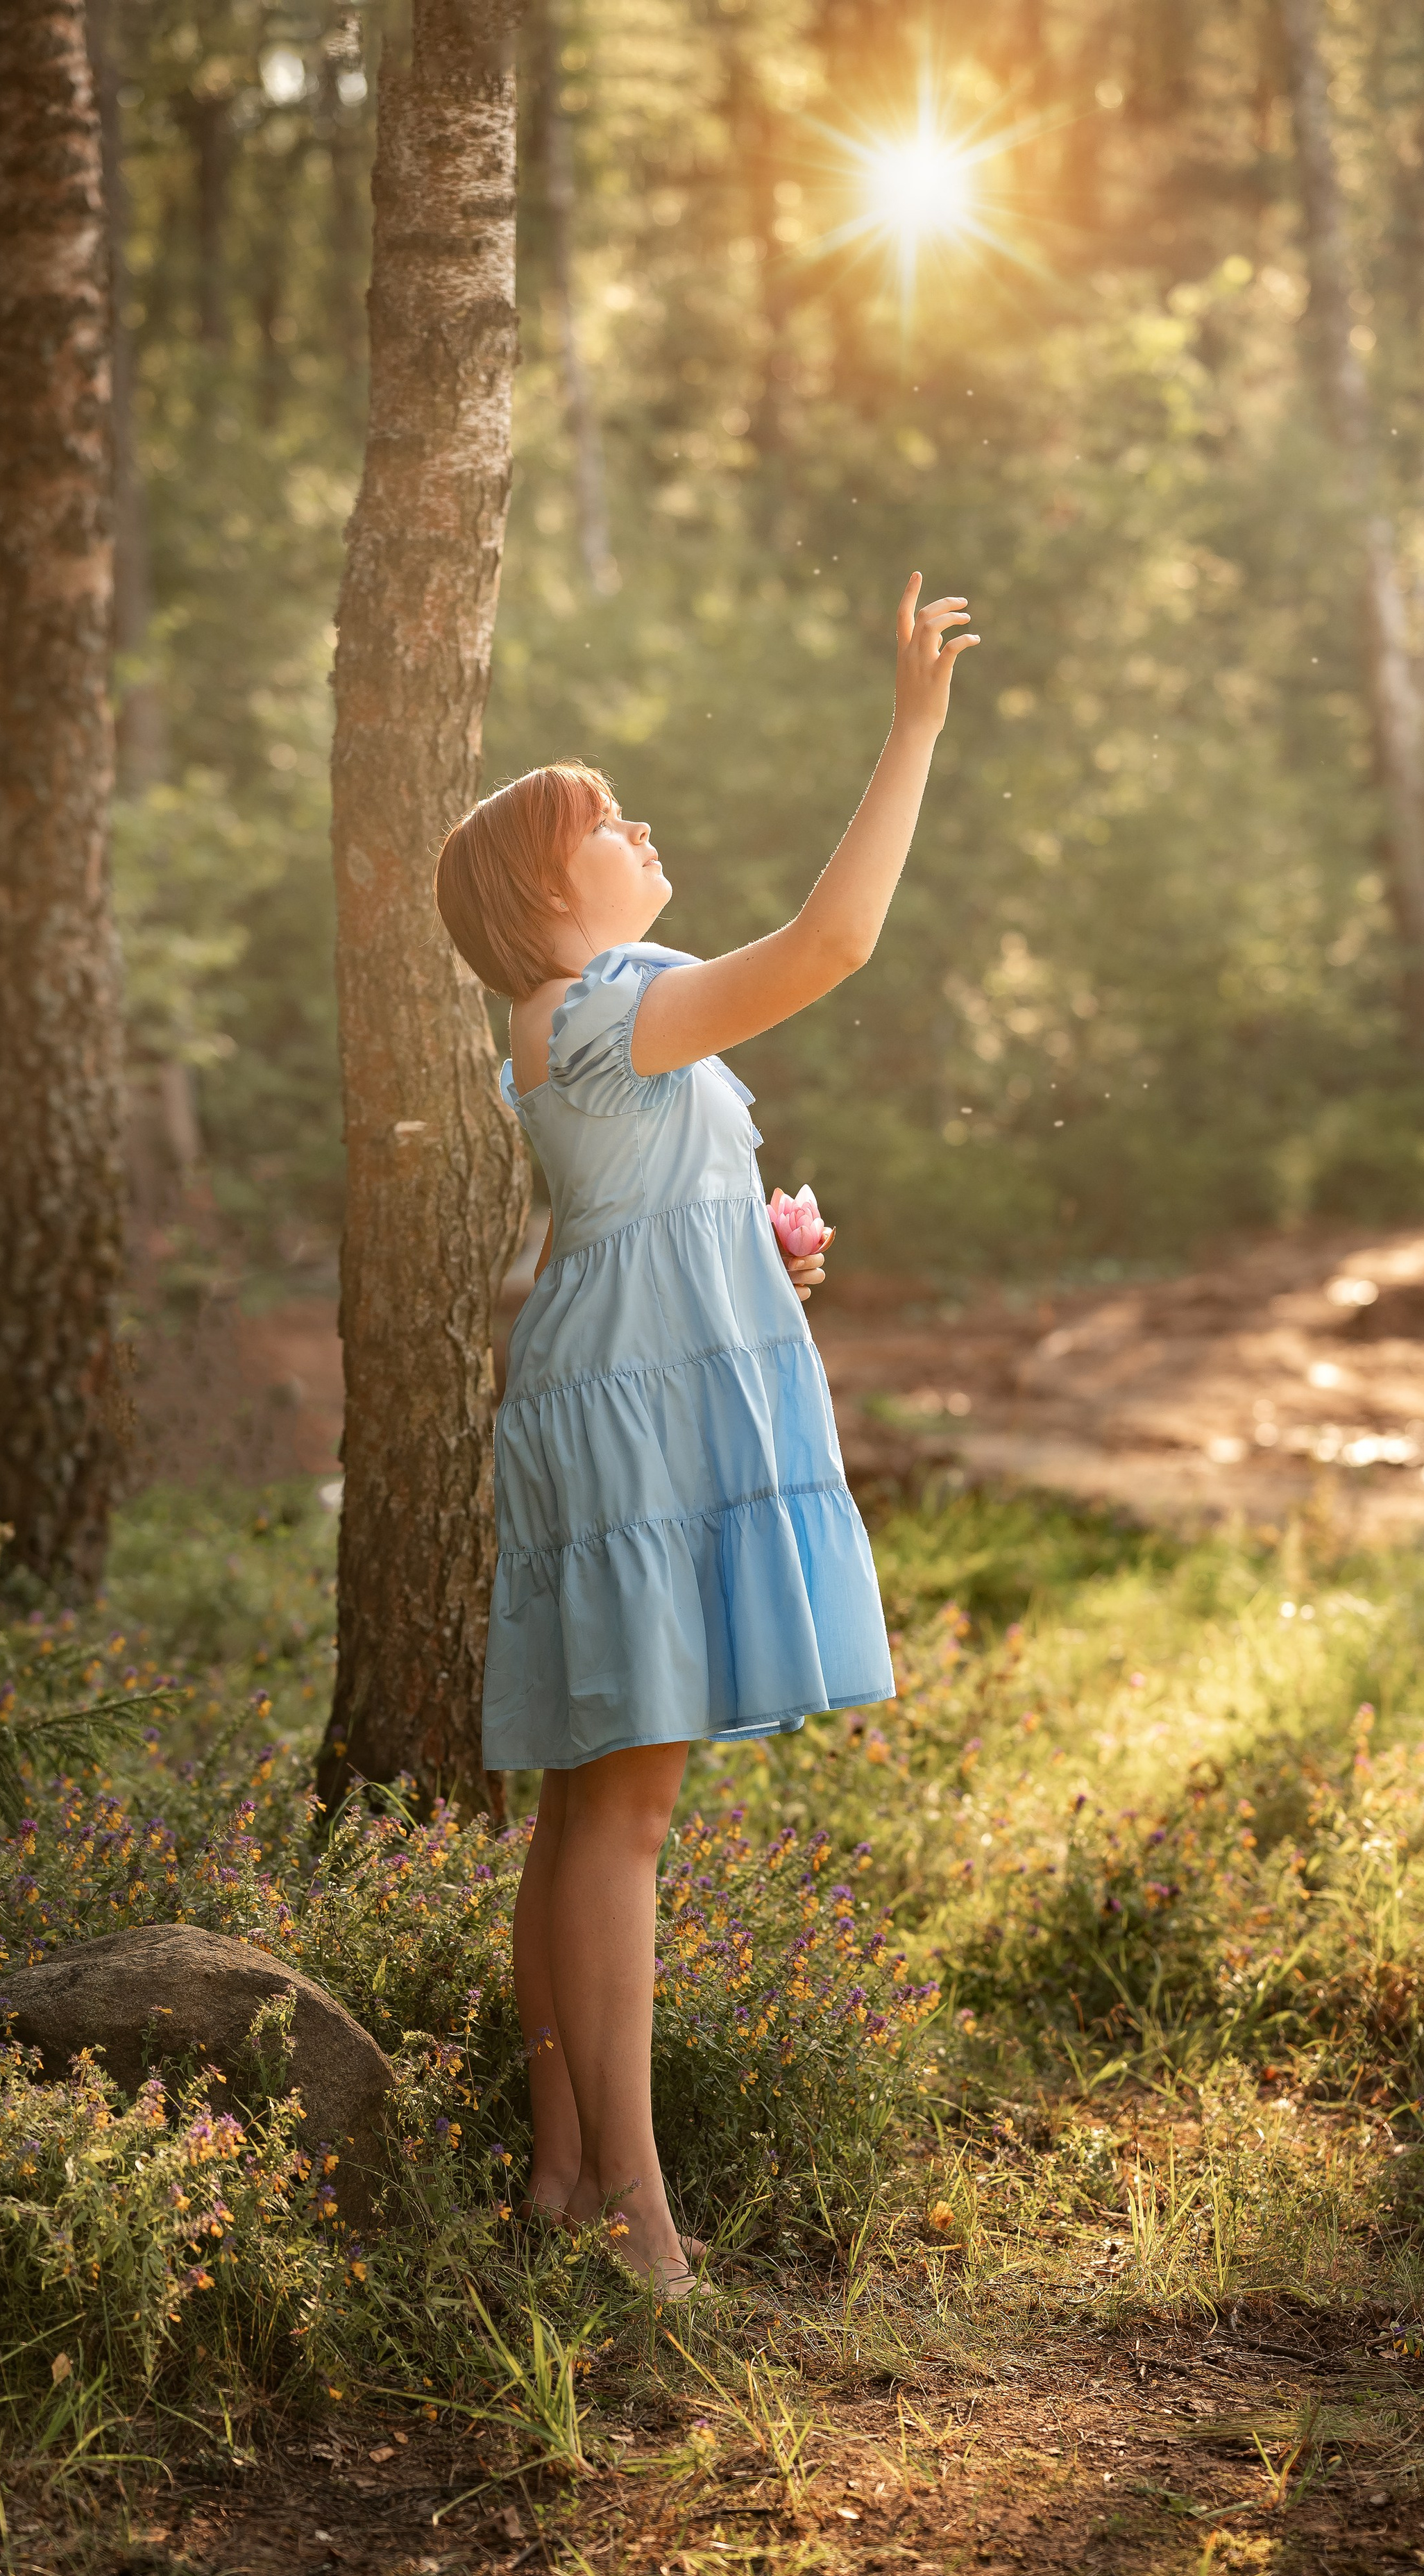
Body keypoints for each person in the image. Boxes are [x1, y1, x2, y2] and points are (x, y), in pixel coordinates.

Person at [432, 574, 978, 2293]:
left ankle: (562, 2172)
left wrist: (757, 1256)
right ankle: (638, 2215)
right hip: (631, 1409)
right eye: (606, 822)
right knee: (624, 1816)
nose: (640, 828)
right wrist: (910, 729)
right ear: (545, 894)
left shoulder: (592, 1011)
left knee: (584, 1806)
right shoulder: (596, 1004)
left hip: (625, 1379)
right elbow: (830, 946)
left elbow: (654, 1197)